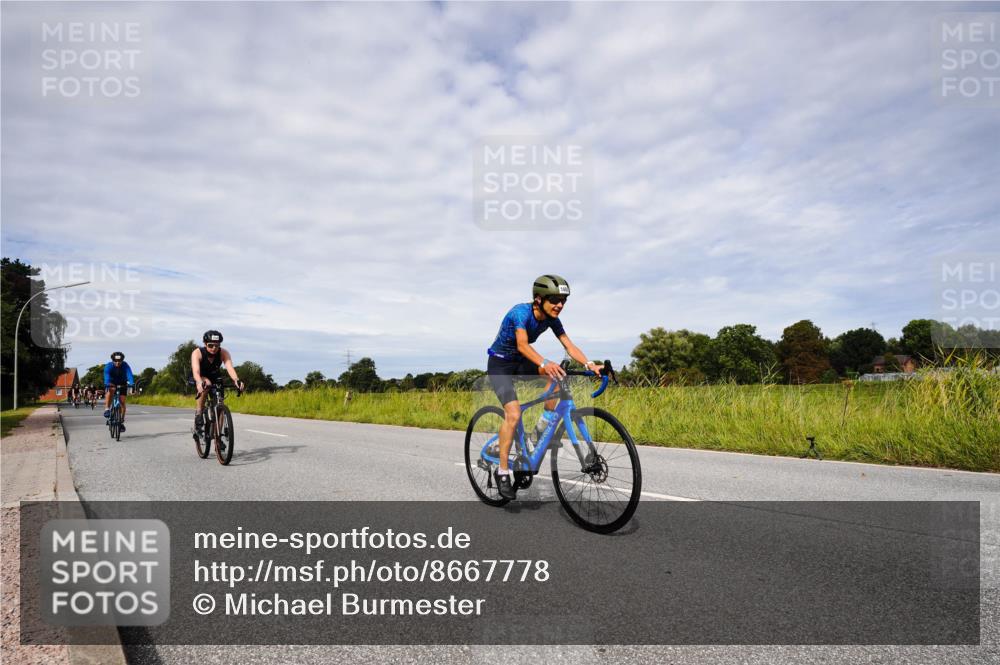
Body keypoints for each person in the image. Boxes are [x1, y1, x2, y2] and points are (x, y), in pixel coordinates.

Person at [486, 275, 603, 499]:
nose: (560, 305)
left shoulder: (552, 318)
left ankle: (538, 432)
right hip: (500, 363)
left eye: (563, 300)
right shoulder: (520, 313)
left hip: (521, 362)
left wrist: (589, 363)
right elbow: (521, 344)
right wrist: (543, 362)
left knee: (556, 377)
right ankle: (502, 472)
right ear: (539, 299)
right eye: (554, 300)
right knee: (513, 413)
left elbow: (569, 345)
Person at [191, 330, 244, 438]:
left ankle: (217, 437)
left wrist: (236, 380)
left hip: (215, 376)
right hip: (198, 376)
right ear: (205, 344)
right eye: (210, 345)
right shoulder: (197, 352)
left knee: (220, 404)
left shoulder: (223, 353)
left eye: (217, 345)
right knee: (207, 383)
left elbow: (230, 368)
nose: (214, 348)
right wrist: (199, 382)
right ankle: (199, 413)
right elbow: (196, 371)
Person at [103, 352, 135, 429]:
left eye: (119, 361)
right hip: (111, 382)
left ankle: (121, 421)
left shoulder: (125, 365)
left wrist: (132, 383)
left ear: (122, 360)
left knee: (122, 402)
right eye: (115, 361)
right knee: (111, 390)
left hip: (122, 383)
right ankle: (107, 409)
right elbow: (106, 376)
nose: (117, 363)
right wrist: (107, 383)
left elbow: (129, 375)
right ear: (112, 360)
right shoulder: (108, 366)